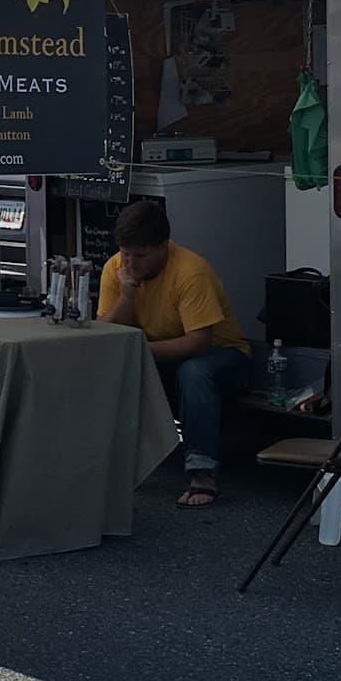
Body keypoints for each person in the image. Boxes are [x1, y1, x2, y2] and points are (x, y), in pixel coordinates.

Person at [97, 200, 250, 509]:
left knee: (194, 371)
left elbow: (198, 343)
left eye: (140, 256)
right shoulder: (115, 269)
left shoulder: (191, 272)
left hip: (224, 356)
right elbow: (107, 337)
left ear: (163, 247)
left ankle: (201, 473)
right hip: (161, 355)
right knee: (110, 365)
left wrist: (137, 351)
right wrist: (127, 297)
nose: (130, 264)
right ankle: (113, 464)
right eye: (125, 253)